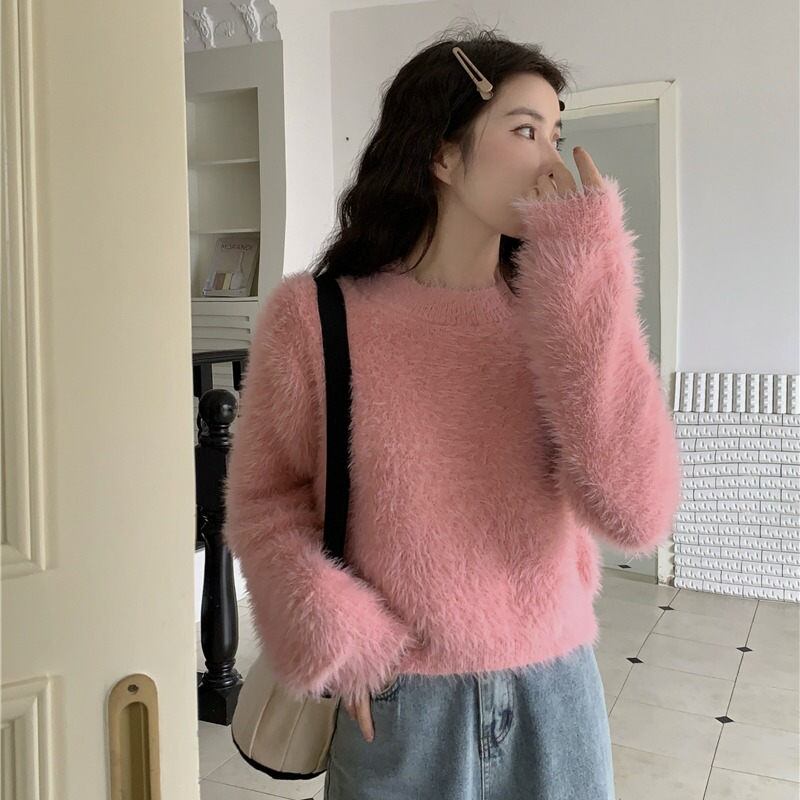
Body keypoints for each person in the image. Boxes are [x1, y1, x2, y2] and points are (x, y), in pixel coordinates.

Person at [222, 23, 683, 800]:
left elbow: (636, 515)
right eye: (525, 130)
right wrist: (334, 634)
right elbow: (267, 502)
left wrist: (587, 280)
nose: (551, 161)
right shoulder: (316, 317)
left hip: (554, 694)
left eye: (557, 134)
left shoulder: (558, 313)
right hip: (399, 703)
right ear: (442, 155)